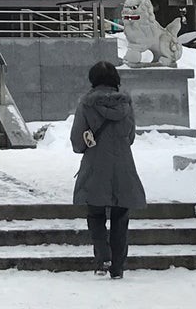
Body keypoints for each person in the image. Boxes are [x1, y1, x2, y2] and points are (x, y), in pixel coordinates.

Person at [70, 60, 147, 280]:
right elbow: (130, 137)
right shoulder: (126, 104)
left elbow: (77, 141)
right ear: (116, 80)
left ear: (93, 80)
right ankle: (118, 267)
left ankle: (103, 255)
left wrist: (88, 142)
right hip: (123, 165)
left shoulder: (86, 104)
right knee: (120, 215)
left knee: (95, 213)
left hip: (95, 165)